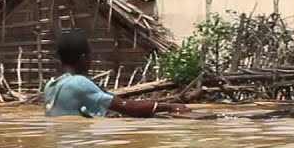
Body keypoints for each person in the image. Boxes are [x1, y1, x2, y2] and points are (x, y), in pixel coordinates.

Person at [43, 30, 191, 118]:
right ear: (84, 58)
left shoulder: (50, 86)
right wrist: (169, 107)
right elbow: (126, 107)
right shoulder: (79, 83)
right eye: (90, 56)